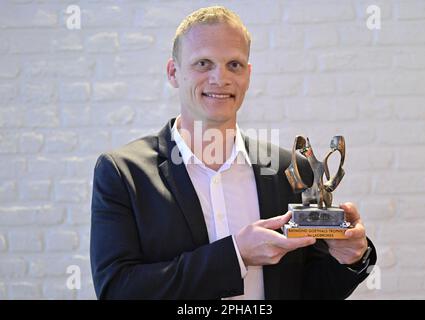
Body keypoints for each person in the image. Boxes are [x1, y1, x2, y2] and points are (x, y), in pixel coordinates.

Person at [90, 6, 376, 300]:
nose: (221, 78)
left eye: (234, 65)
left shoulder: (289, 169)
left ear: (248, 75)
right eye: (203, 63)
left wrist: (350, 258)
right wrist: (236, 255)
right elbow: (117, 290)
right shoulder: (123, 173)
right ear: (173, 72)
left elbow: (307, 290)